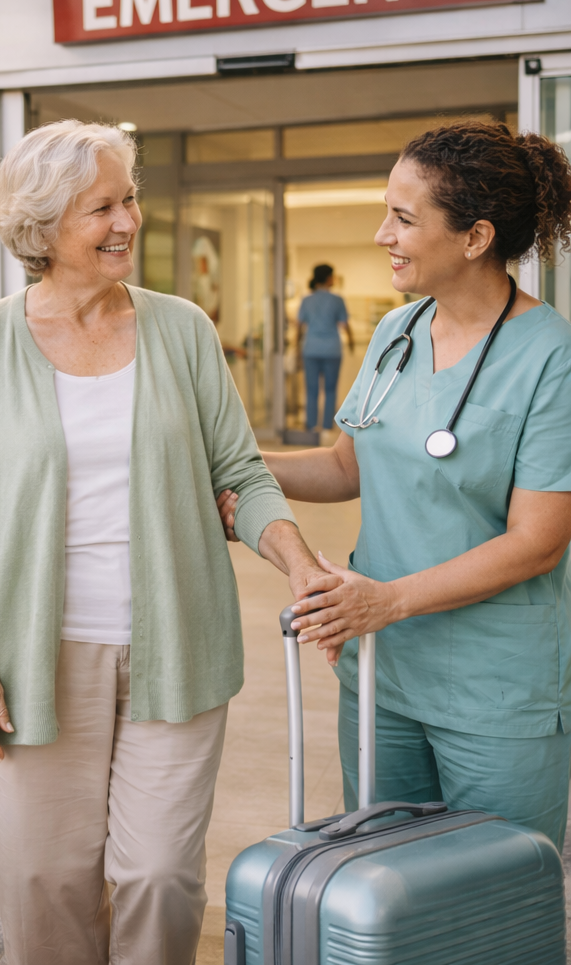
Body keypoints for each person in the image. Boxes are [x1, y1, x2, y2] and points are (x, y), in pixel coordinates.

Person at [0, 120, 336, 965]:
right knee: (45, 888)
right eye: (99, 208)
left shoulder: (181, 329)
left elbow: (241, 471)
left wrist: (301, 564)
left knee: (159, 879)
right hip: (30, 659)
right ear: (40, 229)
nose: (127, 222)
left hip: (174, 646)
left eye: (129, 198)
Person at [220, 122, 571, 848]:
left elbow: (538, 542)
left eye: (404, 218)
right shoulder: (396, 333)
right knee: (384, 880)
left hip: (496, 689)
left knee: (490, 899)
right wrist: (229, 460)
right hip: (382, 674)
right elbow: (349, 466)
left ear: (475, 237)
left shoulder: (551, 357)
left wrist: (385, 600)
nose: (383, 234)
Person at [296, 263, 353, 432]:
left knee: (311, 389)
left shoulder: (306, 300)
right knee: (330, 389)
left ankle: (312, 425)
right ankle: (328, 425)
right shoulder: (337, 300)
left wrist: (296, 347)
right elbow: (344, 324)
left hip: (311, 348)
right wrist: (351, 342)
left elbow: (299, 326)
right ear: (329, 278)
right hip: (331, 350)